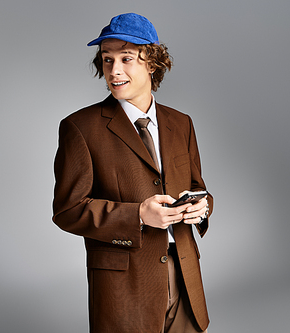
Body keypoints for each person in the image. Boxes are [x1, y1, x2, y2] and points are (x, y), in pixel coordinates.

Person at [52, 13, 213, 333]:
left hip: (185, 280)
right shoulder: (80, 128)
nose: (114, 71)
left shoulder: (181, 123)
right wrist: (138, 215)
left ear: (152, 63)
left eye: (126, 59)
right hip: (124, 290)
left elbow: (198, 186)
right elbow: (68, 210)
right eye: (107, 59)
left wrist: (202, 206)